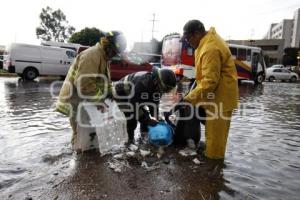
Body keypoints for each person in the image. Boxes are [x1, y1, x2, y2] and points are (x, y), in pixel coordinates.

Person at [55, 31, 127, 149]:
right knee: (80, 135)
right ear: (107, 45)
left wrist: (111, 95)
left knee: (90, 133)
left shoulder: (103, 57)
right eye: (114, 52)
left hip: (86, 100)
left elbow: (104, 81)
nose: (114, 55)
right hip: (76, 100)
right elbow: (84, 83)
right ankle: (78, 159)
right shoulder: (92, 55)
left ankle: (87, 156)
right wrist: (99, 101)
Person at [181, 20, 239, 159]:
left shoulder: (210, 48)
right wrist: (190, 94)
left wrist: (189, 98)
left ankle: (214, 171)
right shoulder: (206, 43)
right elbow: (202, 76)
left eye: (188, 38)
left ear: (197, 33)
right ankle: (209, 156)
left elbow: (209, 82)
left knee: (215, 142)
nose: (188, 42)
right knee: (211, 131)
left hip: (220, 99)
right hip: (213, 96)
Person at [113, 68, 176, 143]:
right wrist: (147, 120)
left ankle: (143, 136)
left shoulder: (157, 87)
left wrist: (156, 120)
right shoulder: (142, 84)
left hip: (133, 96)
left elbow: (154, 106)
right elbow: (133, 106)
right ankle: (130, 140)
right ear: (157, 81)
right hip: (121, 94)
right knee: (132, 118)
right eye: (165, 89)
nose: (164, 92)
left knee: (146, 116)